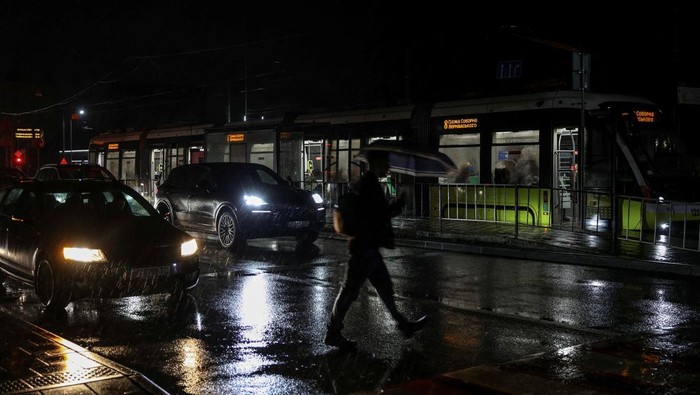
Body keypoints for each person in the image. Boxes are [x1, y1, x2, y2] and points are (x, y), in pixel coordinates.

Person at [324, 149, 428, 350]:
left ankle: (403, 324)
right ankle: (332, 332)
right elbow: (379, 214)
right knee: (349, 293)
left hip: (367, 248)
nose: (388, 167)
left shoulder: (367, 183)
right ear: (376, 164)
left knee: (384, 288)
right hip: (363, 249)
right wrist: (400, 203)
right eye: (385, 163)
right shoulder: (369, 185)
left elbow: (376, 214)